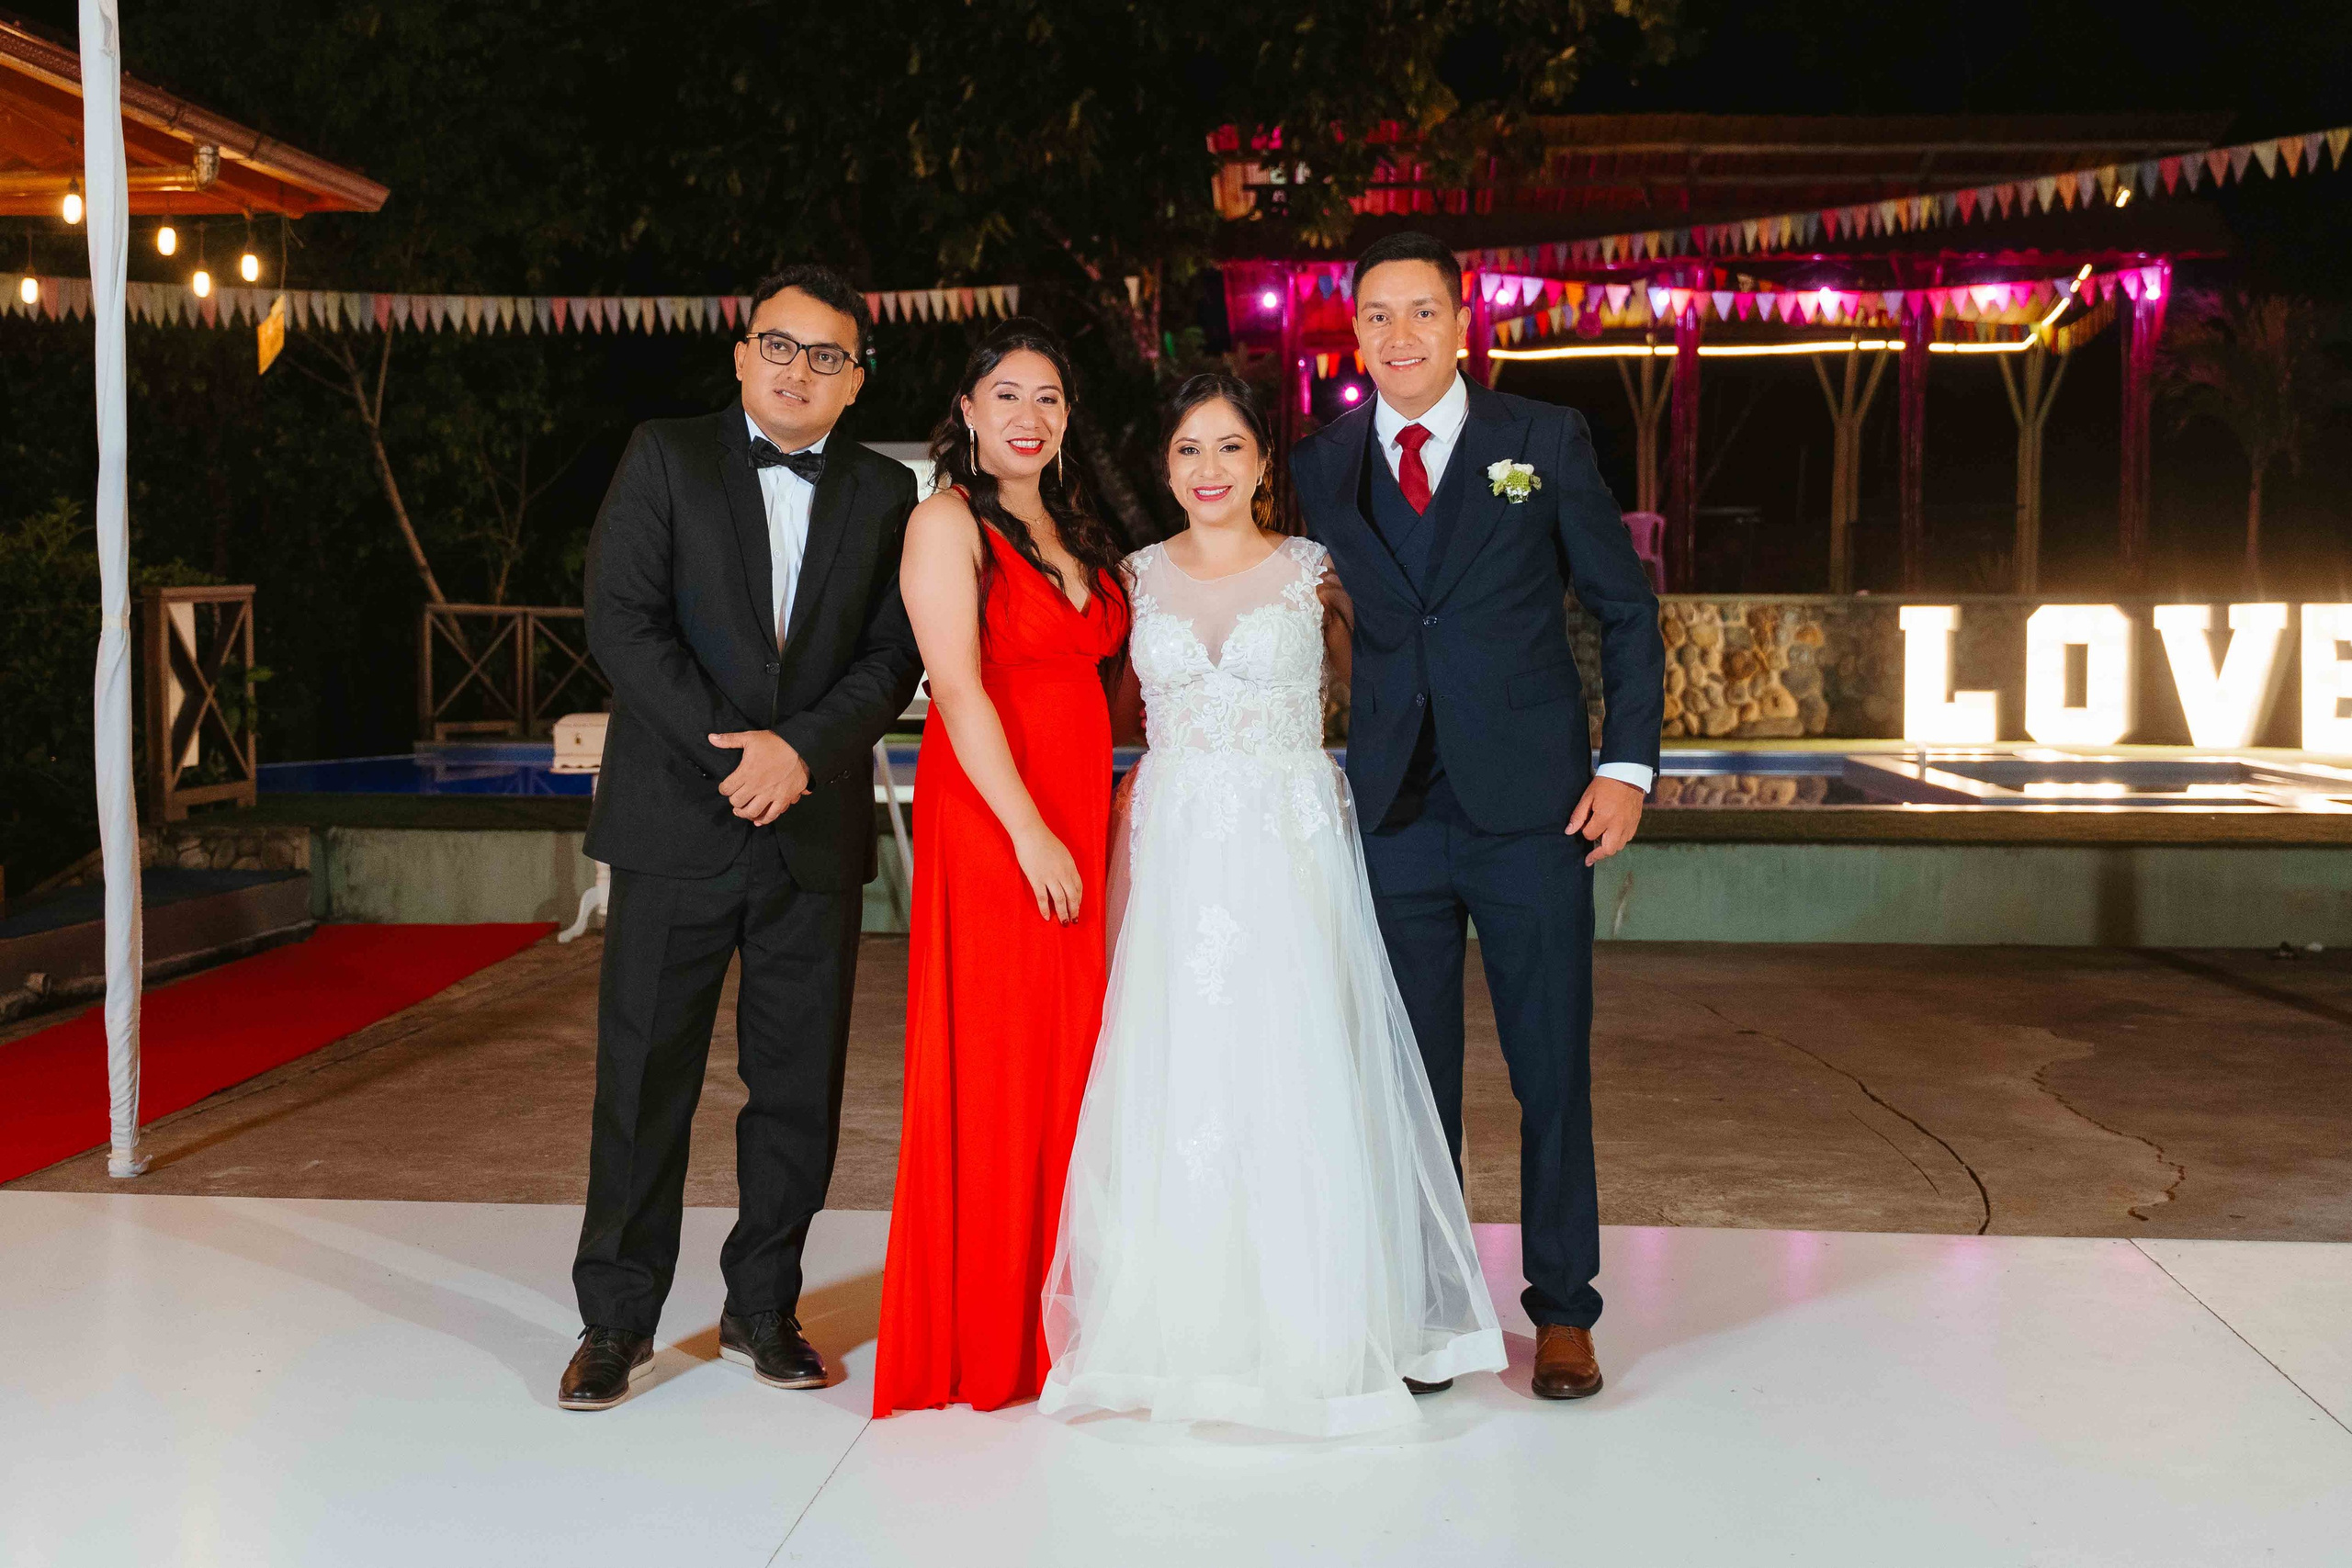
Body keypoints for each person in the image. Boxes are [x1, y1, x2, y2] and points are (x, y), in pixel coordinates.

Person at [1040, 375, 1505, 1437]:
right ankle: (1183, 1323)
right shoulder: (1135, 580)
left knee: (1293, 1058)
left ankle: (1317, 1318)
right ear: (1165, 470)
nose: (1208, 469)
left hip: (1290, 843)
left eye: (1229, 448)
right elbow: (1104, 712)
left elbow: (1389, 697)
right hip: (1176, 849)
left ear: (1261, 464)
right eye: (1187, 451)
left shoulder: (1315, 573)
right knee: (1183, 1062)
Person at [1289, 231, 1665, 1402]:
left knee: (1548, 1069)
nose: (1398, 337)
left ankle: (1562, 1312)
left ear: (1462, 322)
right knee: (1410, 1078)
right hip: (1392, 811)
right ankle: (1433, 1311)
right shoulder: (1319, 463)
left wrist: (1628, 768)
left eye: (1420, 313)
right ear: (1351, 337)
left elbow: (1626, 613)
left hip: (1531, 811)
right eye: (1376, 319)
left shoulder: (1539, 441)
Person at [560, 266, 922, 1411]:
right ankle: (616, 1321)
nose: (797, 369)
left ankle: (763, 1309)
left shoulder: (882, 493)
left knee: (796, 1088)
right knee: (641, 1082)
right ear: (740, 353)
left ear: (856, 382)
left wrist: (799, 750)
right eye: (780, 344)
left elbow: (889, 656)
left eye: (826, 356)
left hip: (807, 834)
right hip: (677, 821)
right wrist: (738, 755)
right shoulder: (666, 456)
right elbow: (620, 618)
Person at [873, 322, 1132, 1417]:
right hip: (997, 816)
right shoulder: (944, 521)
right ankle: (987, 1332)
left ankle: (1058, 1315)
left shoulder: (1072, 525)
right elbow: (959, 690)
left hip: (1076, 808)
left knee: (1069, 1060)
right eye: (1007, 395)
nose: (1030, 416)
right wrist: (1028, 831)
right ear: (968, 411)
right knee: (997, 1057)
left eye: (1050, 398)